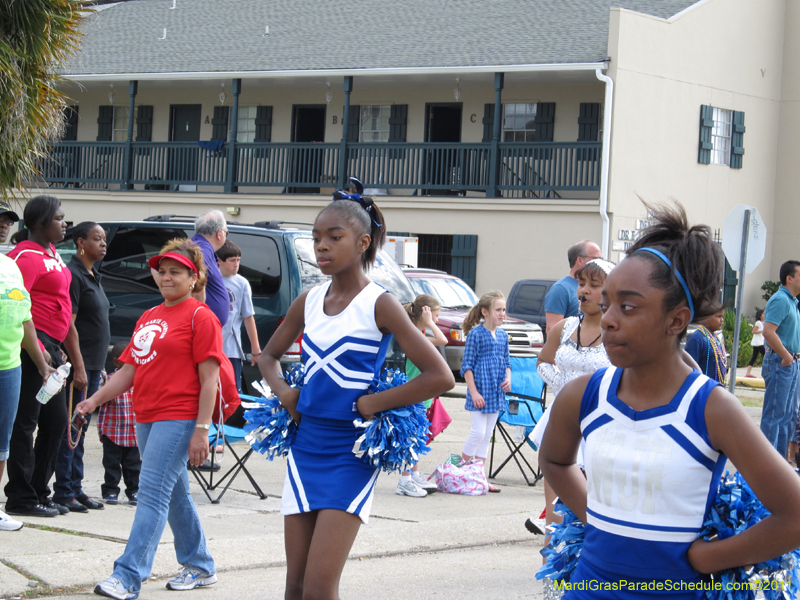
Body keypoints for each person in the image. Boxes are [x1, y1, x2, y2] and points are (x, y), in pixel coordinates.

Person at [540, 203, 800, 598]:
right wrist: (596, 517)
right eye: (606, 303)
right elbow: (555, 461)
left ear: (676, 321)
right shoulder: (584, 395)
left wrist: (708, 558)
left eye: (627, 306)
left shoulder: (710, 408)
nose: (608, 318)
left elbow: (794, 515)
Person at [258, 191, 453, 600]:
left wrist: (372, 403)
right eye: (316, 239)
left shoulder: (379, 304)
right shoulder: (308, 301)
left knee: (318, 586)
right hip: (305, 448)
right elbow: (269, 356)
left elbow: (439, 376)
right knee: (294, 586)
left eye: (334, 236)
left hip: (350, 455)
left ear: (363, 243)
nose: (322, 246)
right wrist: (285, 392)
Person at [76, 238, 226, 600]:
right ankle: (200, 564)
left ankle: (128, 576)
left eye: (176, 272)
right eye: (162, 272)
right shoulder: (150, 315)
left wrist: (202, 431)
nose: (166, 277)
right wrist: (92, 401)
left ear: (194, 278)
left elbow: (211, 380)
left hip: (180, 416)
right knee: (173, 495)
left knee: (151, 494)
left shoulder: (200, 317)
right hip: (146, 415)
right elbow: (128, 372)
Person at [4, 195, 84, 519]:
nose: (64, 223)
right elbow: (19, 310)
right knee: (26, 422)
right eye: (59, 218)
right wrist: (39, 348)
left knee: (55, 423)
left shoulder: (54, 254)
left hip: (53, 347)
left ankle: (39, 490)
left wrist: (64, 351)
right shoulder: (23, 256)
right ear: (39, 223)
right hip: (31, 349)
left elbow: (61, 308)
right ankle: (20, 496)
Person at [532, 258, 614, 565]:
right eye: (582, 284)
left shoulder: (617, 331)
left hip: (600, 426)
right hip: (561, 424)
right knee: (554, 513)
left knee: (586, 511)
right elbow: (543, 362)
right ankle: (552, 577)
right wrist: (564, 390)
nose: (585, 291)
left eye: (595, 285)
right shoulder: (565, 327)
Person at [52, 222, 110, 513]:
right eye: (96, 239)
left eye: (104, 239)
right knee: (71, 429)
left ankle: (75, 487)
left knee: (81, 428)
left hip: (93, 365)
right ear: (80, 243)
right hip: (79, 366)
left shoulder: (92, 275)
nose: (103, 243)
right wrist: (78, 366)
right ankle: (63, 490)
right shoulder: (73, 276)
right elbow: (68, 325)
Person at [0, 252, 55, 530]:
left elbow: (26, 319)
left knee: (2, 442)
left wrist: (41, 363)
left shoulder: (10, 266)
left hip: (9, 366)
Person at [396, 293, 448, 498]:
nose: (437, 320)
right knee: (411, 438)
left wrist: (428, 322)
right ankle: (404, 480)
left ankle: (414, 475)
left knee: (417, 438)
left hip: (422, 396)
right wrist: (428, 322)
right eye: (435, 315)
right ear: (425, 314)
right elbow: (443, 339)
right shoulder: (415, 336)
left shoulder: (420, 333)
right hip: (414, 395)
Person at [459, 291, 511, 493]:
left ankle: (480, 477)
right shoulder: (475, 335)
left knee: (487, 435)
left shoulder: (504, 335)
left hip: (496, 392)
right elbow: (467, 366)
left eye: (504, 310)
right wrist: (473, 392)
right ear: (485, 312)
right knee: (477, 432)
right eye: (498, 310)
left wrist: (508, 378)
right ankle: (461, 469)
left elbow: (507, 362)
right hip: (479, 393)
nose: (502, 314)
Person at [760, 260, 800, 461]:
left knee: (787, 417)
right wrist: (786, 356)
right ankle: (766, 466)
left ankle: (780, 464)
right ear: (789, 278)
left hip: (791, 363)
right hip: (780, 363)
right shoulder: (781, 300)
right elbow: (768, 331)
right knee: (775, 416)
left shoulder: (793, 301)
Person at [97, 341, 140, 507]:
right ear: (116, 362)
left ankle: (134, 491)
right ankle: (110, 490)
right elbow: (100, 396)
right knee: (111, 464)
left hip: (134, 434)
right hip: (113, 433)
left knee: (134, 466)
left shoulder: (139, 380)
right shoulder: (110, 381)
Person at [216, 240, 261, 392]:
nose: (236, 264)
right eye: (232, 261)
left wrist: (256, 350)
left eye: (238, 260)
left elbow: (248, 317)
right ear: (219, 261)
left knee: (232, 392)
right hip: (209, 347)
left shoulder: (242, 283)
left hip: (231, 348)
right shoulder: (207, 280)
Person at [543, 240, 602, 337]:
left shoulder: (599, 289)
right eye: (596, 258)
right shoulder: (561, 289)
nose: (599, 263)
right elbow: (552, 330)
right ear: (580, 260)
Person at [191, 210, 229, 326]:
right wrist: (199, 311)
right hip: (203, 327)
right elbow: (196, 274)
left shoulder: (198, 246)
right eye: (226, 233)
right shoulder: (202, 250)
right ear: (219, 234)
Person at [684, 309, 727, 383]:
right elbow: (689, 368)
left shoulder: (716, 337)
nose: (722, 320)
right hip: (703, 389)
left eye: (722, 317)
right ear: (705, 317)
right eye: (719, 316)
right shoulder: (697, 338)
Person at [745, 309, 765, 378]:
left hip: (759, 342)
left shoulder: (763, 322)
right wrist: (762, 331)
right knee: (765, 355)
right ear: (760, 316)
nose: (764, 315)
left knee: (754, 357)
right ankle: (766, 371)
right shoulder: (758, 323)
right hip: (758, 343)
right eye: (763, 314)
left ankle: (748, 372)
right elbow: (753, 331)